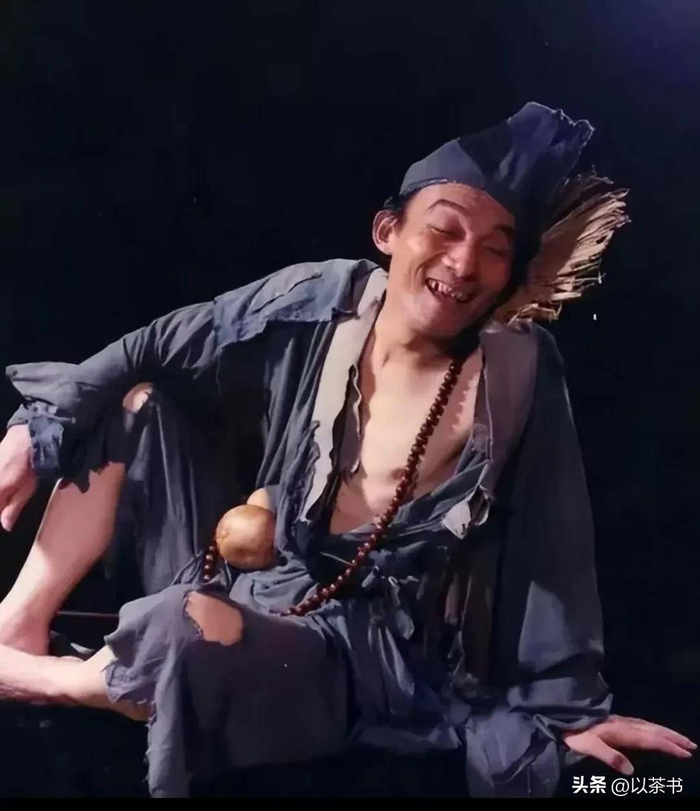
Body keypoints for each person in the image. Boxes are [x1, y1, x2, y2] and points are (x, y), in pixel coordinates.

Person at [0, 102, 694, 798]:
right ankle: (17, 624)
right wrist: (34, 431)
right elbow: (156, 344)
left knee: (181, 634)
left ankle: (40, 679)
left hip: (352, 647)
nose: (464, 263)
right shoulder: (325, 298)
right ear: (388, 232)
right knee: (134, 403)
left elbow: (553, 537)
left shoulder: (515, 371)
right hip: (250, 573)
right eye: (445, 229)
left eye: (494, 248)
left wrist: (570, 709)